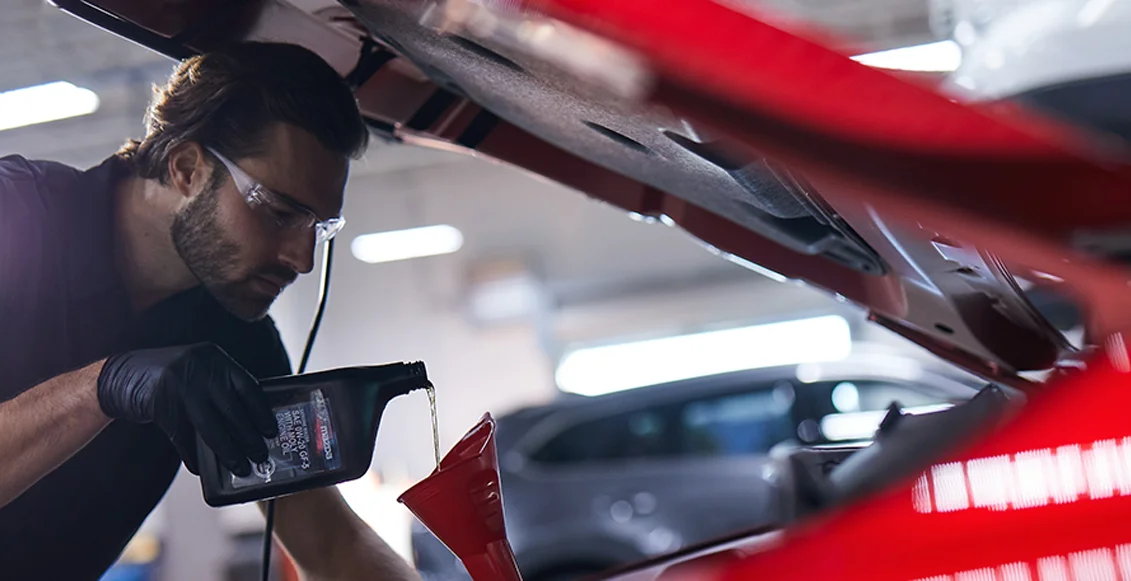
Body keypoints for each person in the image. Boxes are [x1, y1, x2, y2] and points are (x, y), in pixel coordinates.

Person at [0, 41, 421, 580]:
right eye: (279, 213)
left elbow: (331, 544)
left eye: (319, 229)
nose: (302, 259)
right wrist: (103, 388)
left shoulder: (236, 340)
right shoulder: (16, 218)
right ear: (187, 169)